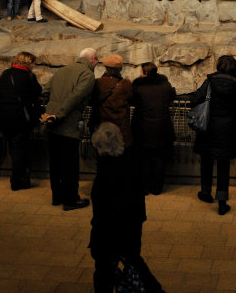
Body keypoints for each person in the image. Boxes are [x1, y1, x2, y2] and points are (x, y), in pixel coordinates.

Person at [89, 123, 164, 293]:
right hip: (131, 228)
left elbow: (100, 210)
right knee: (135, 262)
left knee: (103, 272)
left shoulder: (103, 175)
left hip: (107, 233)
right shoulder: (131, 165)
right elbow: (139, 198)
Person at [187, 55, 236, 215]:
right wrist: (229, 114)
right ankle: (222, 202)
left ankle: (206, 193)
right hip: (226, 128)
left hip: (209, 127)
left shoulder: (209, 81)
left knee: (206, 161)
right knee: (223, 165)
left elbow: (196, 99)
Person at [41, 47, 96, 211]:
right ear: (92, 60)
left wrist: (50, 112)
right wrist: (59, 114)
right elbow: (75, 97)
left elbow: (45, 90)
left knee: (55, 163)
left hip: (51, 122)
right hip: (67, 123)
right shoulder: (87, 75)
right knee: (70, 165)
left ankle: (56, 197)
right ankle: (71, 199)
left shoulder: (62, 71)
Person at [0, 52, 42, 190]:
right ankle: (17, 181)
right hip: (20, 118)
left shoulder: (6, 73)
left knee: (13, 147)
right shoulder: (28, 76)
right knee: (19, 150)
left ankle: (20, 178)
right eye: (33, 62)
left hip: (4, 116)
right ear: (27, 62)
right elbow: (37, 93)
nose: (34, 65)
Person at [131, 62, 175, 195]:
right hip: (162, 127)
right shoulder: (165, 85)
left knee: (144, 158)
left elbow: (132, 101)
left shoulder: (138, 86)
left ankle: (145, 187)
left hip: (143, 127)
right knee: (159, 158)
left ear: (144, 73)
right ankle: (157, 188)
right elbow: (172, 95)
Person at [90, 54, 133, 146]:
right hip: (120, 129)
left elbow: (92, 101)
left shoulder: (98, 83)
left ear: (106, 67)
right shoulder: (126, 84)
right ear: (120, 69)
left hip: (102, 128)